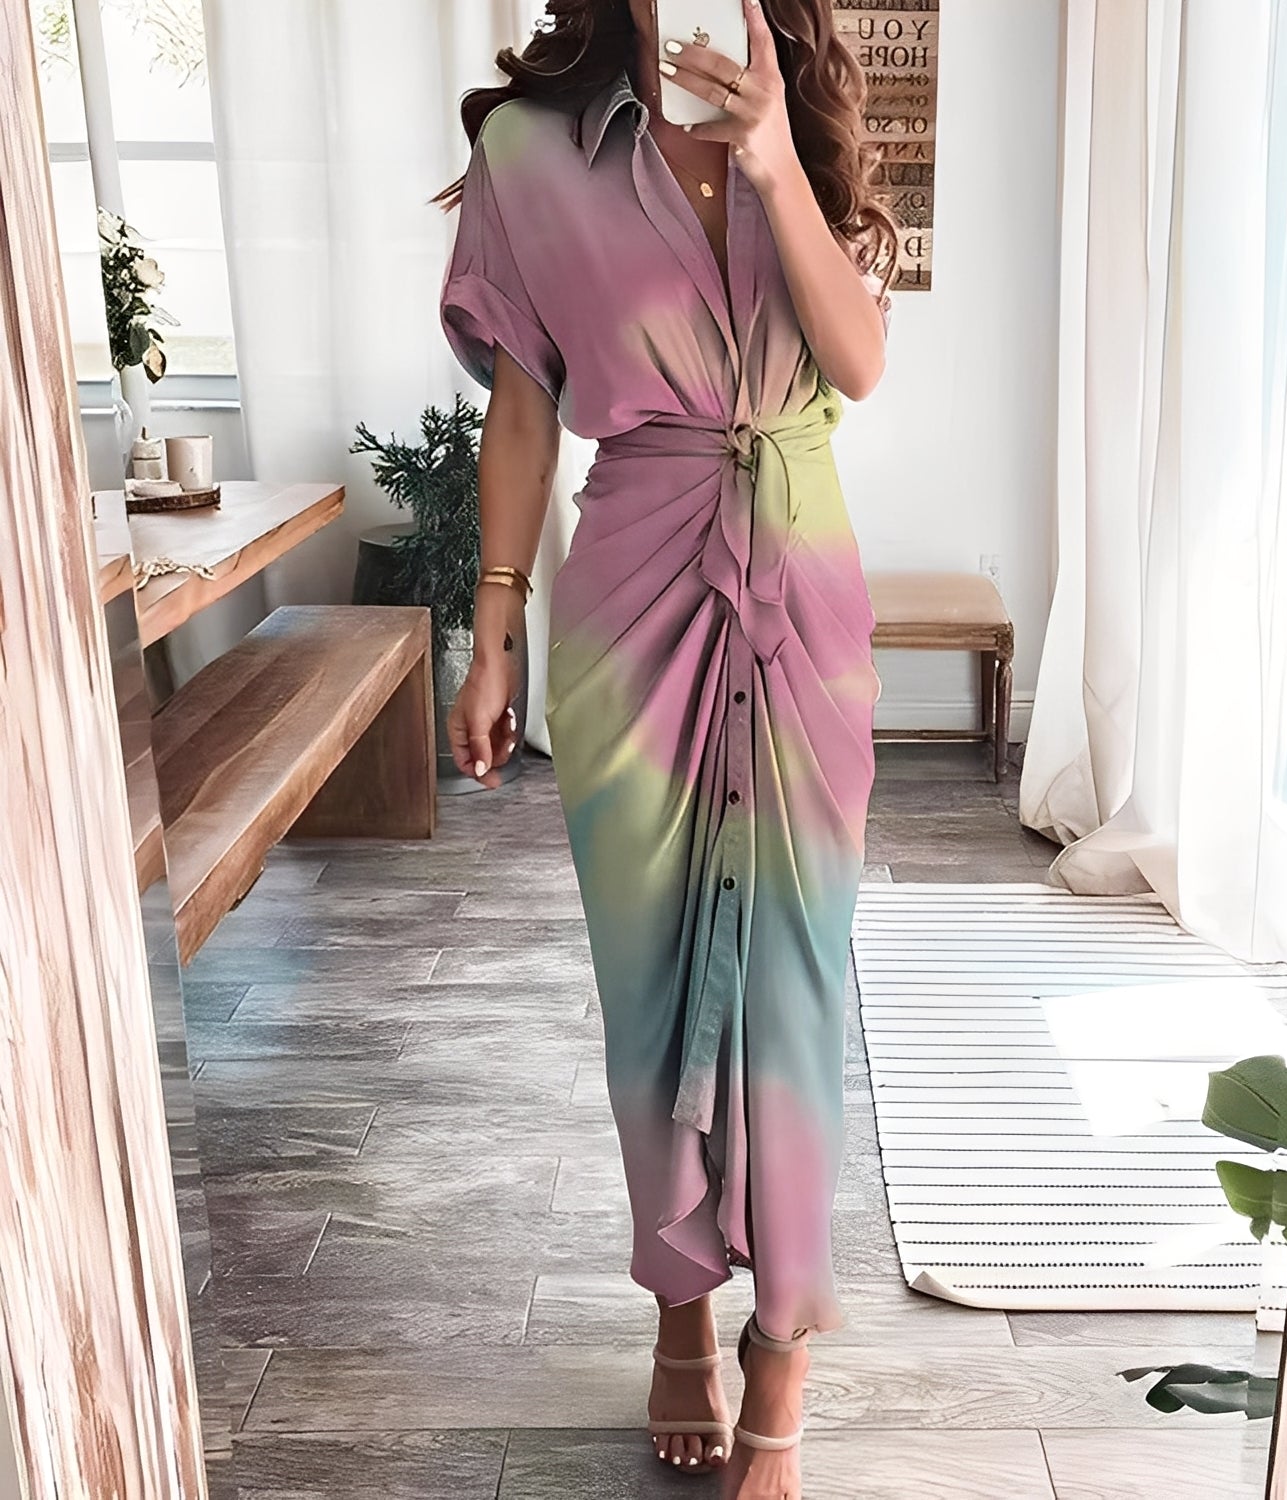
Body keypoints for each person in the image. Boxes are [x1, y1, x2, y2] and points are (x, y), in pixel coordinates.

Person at [438, 1, 894, 1493]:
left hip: (802, 598)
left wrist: (773, 162)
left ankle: (784, 1354)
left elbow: (857, 363)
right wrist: (494, 630)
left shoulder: (802, 111)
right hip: (632, 603)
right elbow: (524, 410)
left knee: (792, 986)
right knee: (650, 1000)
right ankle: (681, 1306)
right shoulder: (529, 150)